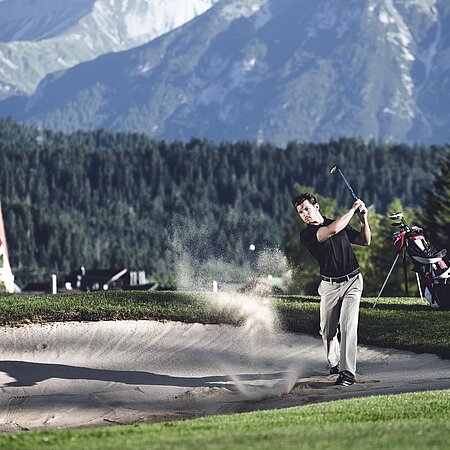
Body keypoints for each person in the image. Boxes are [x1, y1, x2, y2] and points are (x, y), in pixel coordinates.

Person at [292, 192, 371, 386]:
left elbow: (365, 241)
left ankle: (347, 373)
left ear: (316, 207)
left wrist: (363, 220)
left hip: (353, 281)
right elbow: (332, 230)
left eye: (307, 209)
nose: (305, 214)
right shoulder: (308, 234)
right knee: (327, 331)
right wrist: (352, 209)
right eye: (301, 212)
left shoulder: (339, 223)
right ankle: (334, 363)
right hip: (329, 286)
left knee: (348, 326)